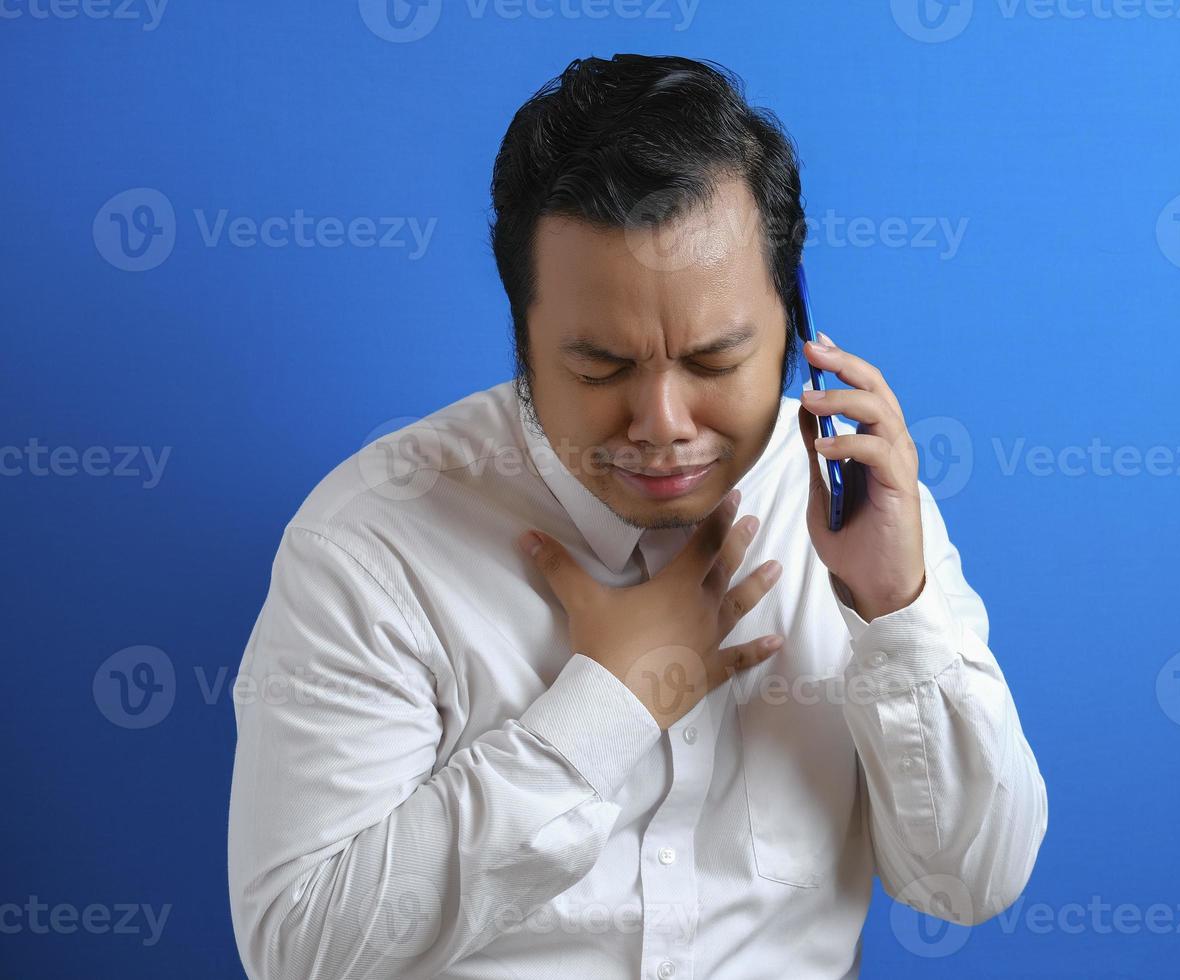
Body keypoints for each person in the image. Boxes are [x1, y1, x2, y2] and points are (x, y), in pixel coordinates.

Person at [227, 53, 1047, 980]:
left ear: (794, 325)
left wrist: (895, 606)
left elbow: (972, 881)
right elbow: (297, 951)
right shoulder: (371, 547)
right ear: (523, 337)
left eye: (713, 362)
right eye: (600, 369)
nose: (662, 427)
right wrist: (607, 706)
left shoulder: (855, 504)